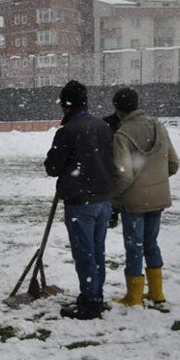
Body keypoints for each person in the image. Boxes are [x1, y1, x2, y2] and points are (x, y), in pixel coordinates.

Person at [44, 80, 114, 320]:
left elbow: (53, 167)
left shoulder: (68, 131)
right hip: (104, 200)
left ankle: (90, 302)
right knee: (97, 251)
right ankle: (96, 295)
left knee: (85, 254)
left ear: (66, 105)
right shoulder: (103, 127)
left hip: (80, 201)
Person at [111, 88, 179, 306]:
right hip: (158, 198)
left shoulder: (122, 134)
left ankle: (134, 295)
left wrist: (115, 197)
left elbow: (124, 174)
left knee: (134, 245)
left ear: (118, 108)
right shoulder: (159, 127)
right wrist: (155, 180)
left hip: (134, 201)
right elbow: (173, 164)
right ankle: (157, 292)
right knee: (151, 242)